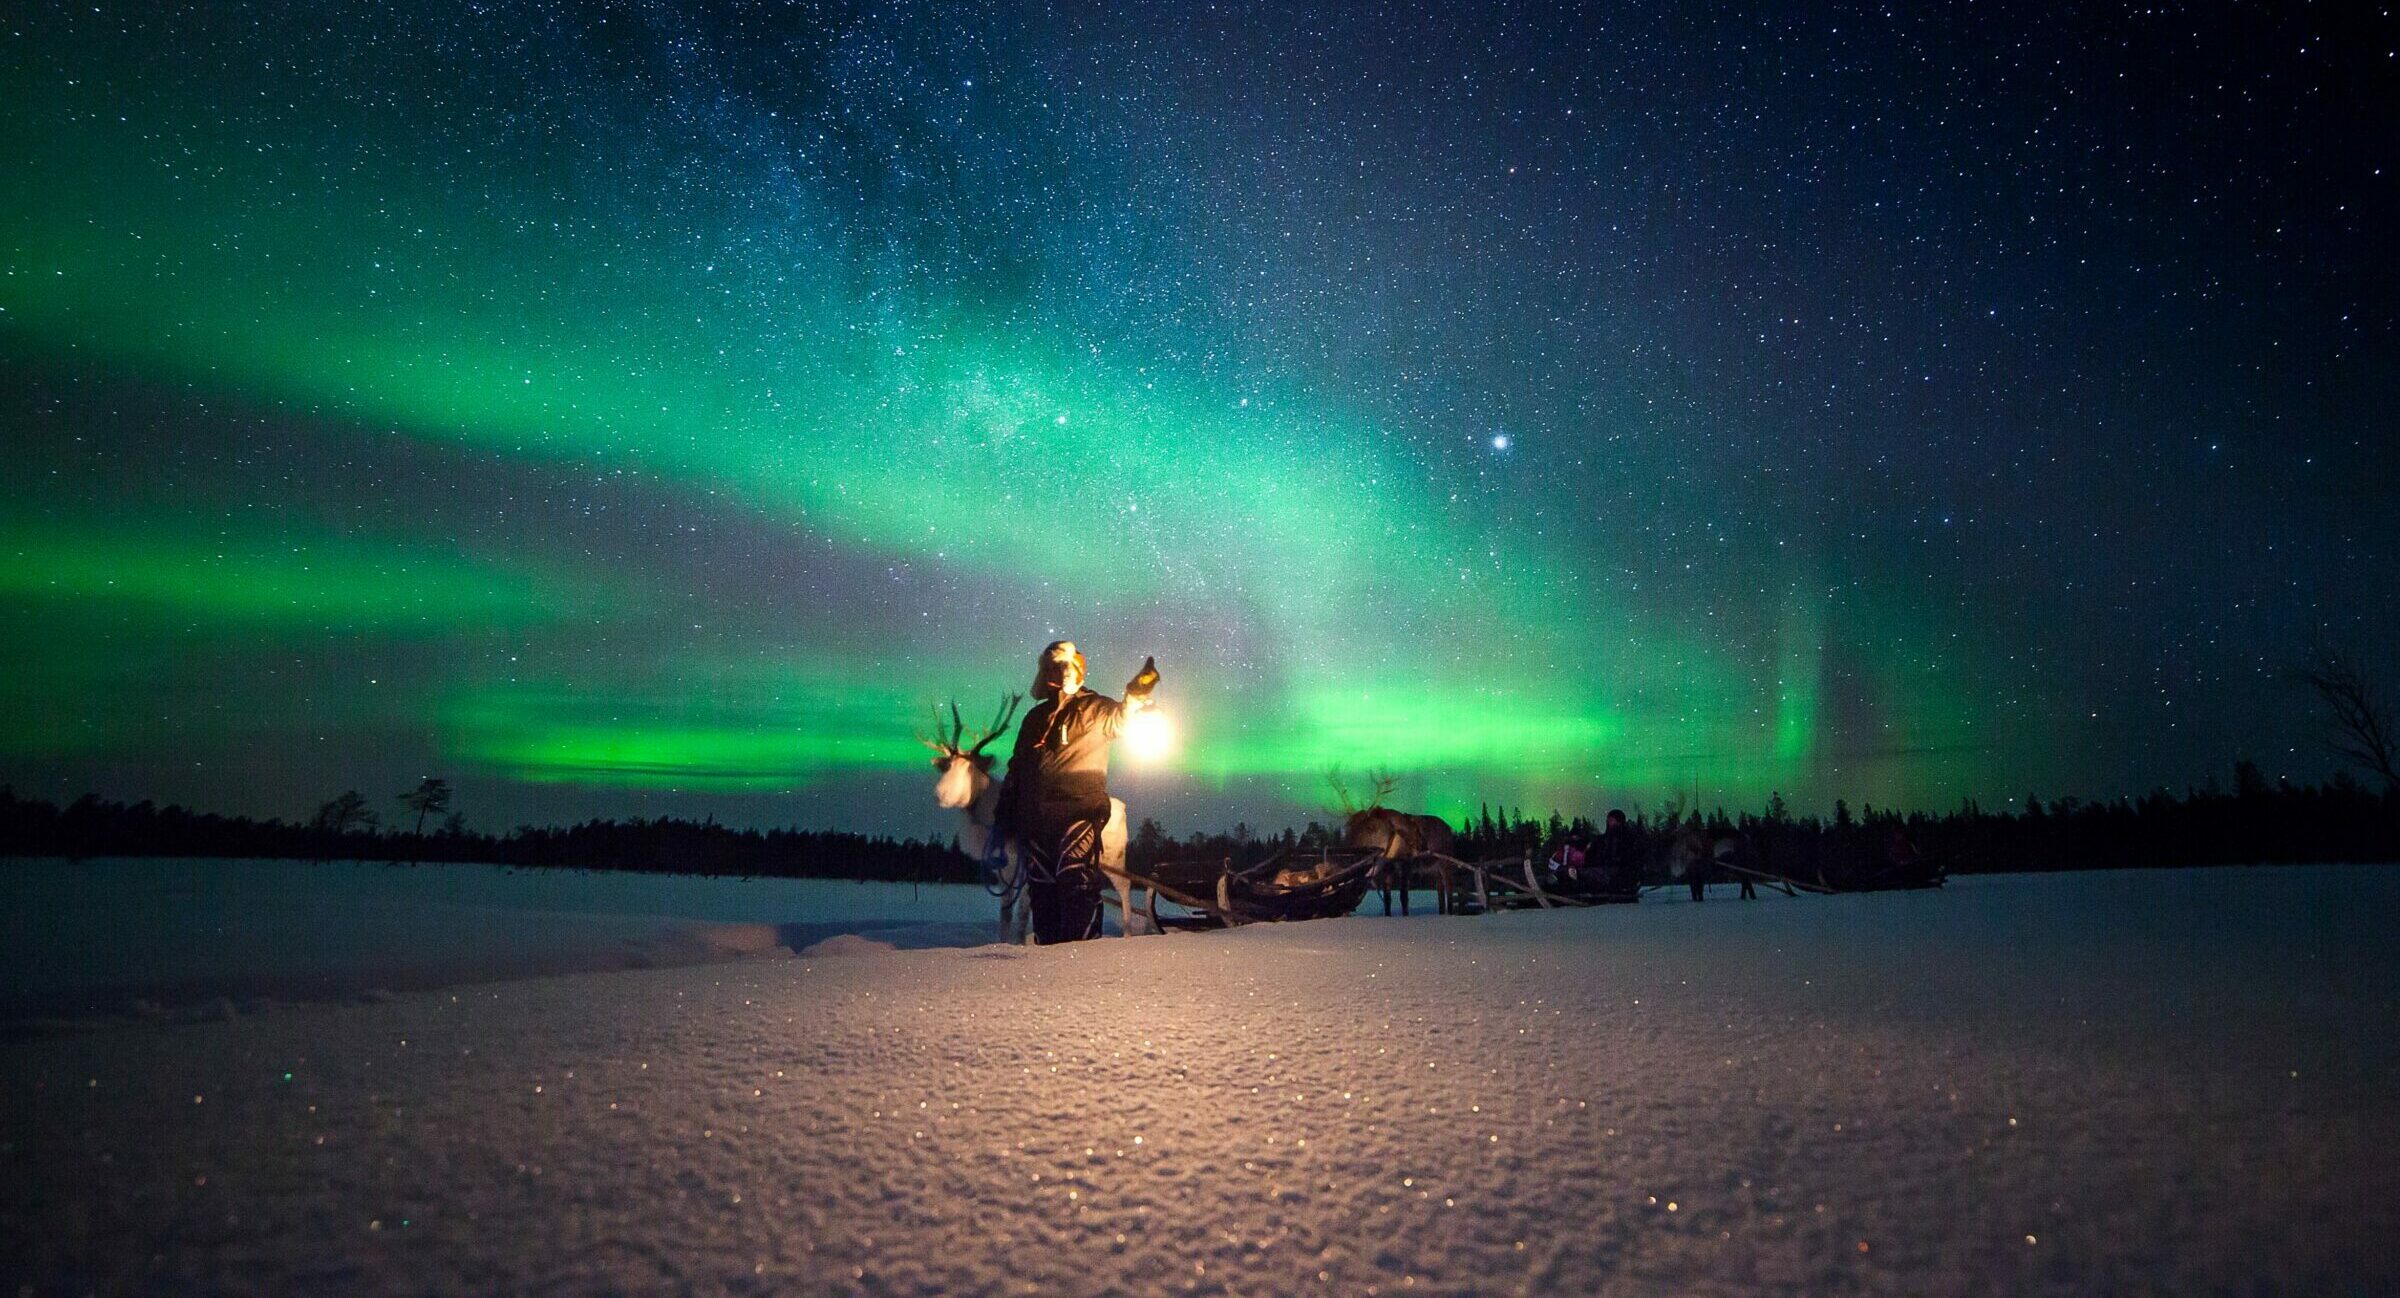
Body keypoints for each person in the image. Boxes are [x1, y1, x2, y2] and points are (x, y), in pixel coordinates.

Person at [996, 641, 1155, 944]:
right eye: (1054, 668)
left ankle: (1081, 958)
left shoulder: (1095, 708)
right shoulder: (1034, 720)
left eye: (1067, 666)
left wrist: (1136, 695)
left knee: (1075, 879)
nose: (1061, 673)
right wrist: (1006, 810)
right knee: (1043, 889)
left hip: (1080, 812)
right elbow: (1017, 768)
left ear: (1078, 669)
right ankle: (1051, 963)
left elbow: (1121, 718)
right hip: (1037, 822)